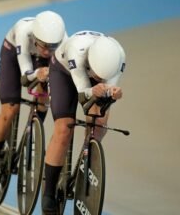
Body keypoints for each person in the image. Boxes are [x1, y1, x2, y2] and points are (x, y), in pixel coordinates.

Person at [0, 11, 67, 192]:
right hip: (14, 54)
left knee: (45, 96)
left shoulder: (62, 42)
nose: (46, 50)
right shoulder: (23, 31)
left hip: (44, 63)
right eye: (43, 46)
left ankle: (32, 131)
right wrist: (38, 74)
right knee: (10, 110)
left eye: (51, 47)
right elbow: (26, 76)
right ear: (35, 37)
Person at [41, 30, 126, 214]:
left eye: (103, 77)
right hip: (64, 72)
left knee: (99, 124)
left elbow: (104, 94)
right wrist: (93, 90)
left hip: (91, 77)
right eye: (97, 74)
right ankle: (48, 192)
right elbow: (83, 94)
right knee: (64, 128)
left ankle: (86, 159)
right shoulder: (77, 50)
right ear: (91, 63)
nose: (100, 79)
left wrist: (112, 92)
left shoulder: (119, 57)